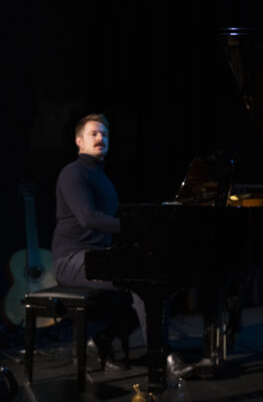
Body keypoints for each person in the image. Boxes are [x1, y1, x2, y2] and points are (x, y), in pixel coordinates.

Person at [51, 114, 144, 370]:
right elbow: (88, 218)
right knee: (141, 280)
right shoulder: (73, 173)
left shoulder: (104, 179)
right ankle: (164, 358)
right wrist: (136, 228)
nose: (101, 138)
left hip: (98, 256)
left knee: (152, 283)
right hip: (71, 259)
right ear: (79, 141)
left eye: (104, 134)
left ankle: (102, 340)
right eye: (94, 133)